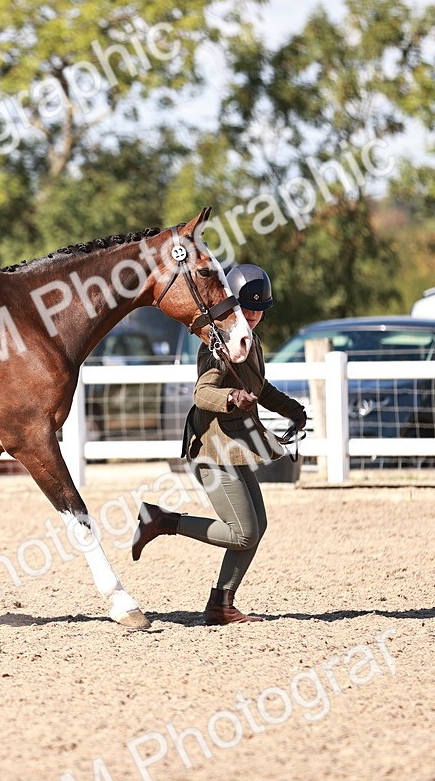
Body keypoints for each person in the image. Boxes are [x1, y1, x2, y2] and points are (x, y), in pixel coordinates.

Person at [131, 264, 306, 625]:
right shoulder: (215, 346)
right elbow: (202, 393)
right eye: (247, 308)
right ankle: (162, 521)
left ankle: (221, 605)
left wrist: (293, 410)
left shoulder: (249, 341)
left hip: (234, 446)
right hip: (211, 451)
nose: (255, 315)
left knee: (255, 527)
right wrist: (231, 398)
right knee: (243, 533)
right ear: (232, 306)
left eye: (260, 309)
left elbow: (260, 388)